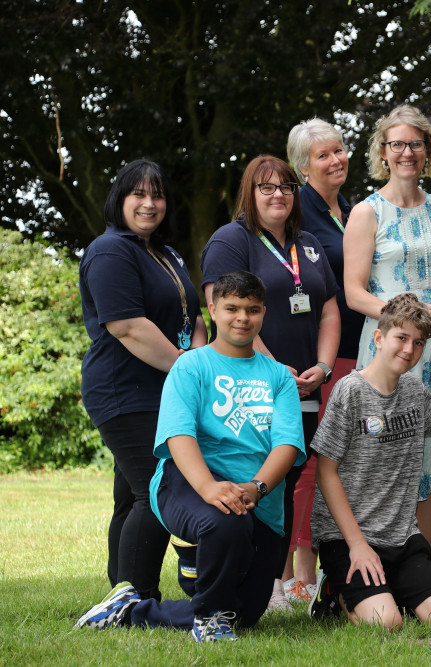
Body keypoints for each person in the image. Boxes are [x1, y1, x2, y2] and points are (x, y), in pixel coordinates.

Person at [74, 271, 306, 641]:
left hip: (259, 494)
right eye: (231, 308)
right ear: (212, 309)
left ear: (264, 313)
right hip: (187, 482)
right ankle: (209, 619)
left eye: (252, 309)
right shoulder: (191, 366)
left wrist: (257, 487)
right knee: (227, 521)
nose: (242, 318)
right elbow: (178, 434)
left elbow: (288, 445)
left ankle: (132, 610)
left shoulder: (278, 376)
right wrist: (209, 487)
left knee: (246, 612)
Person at [201, 154, 341, 610]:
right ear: (250, 193)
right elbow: (221, 307)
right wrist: (272, 367)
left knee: (293, 474)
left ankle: (275, 580)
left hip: (306, 382)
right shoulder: (231, 239)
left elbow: (329, 310)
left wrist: (321, 366)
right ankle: (268, 584)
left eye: (285, 186)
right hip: (255, 382)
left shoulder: (311, 243)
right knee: (259, 472)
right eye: (266, 187)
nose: (278, 194)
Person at [342, 104, 431, 554]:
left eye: (415, 144)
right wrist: (406, 315)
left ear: (427, 152)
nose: (406, 152)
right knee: (380, 455)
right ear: (383, 152)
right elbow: (355, 293)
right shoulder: (366, 212)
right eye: (397, 144)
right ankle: (372, 559)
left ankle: (422, 564)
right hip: (390, 349)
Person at [309, 293, 431, 629]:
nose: (409, 349)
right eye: (401, 338)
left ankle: (388, 586)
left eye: (418, 343)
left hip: (400, 537)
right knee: (387, 623)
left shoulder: (413, 391)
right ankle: (333, 588)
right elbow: (326, 473)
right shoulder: (350, 391)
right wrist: (357, 545)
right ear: (378, 337)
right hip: (347, 538)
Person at [79, 159, 208, 603]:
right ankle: (138, 595)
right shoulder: (110, 250)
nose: (149, 203)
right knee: (157, 489)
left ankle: (121, 590)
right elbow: (127, 326)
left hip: (162, 389)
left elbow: (192, 315)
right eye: (138, 193)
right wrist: (188, 370)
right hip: (123, 389)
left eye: (157, 195)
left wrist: (198, 355)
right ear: (120, 198)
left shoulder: (163, 252)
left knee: (131, 495)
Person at [282, 118, 364, 600]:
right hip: (318, 355)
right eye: (323, 155)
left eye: (340, 150)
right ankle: (301, 573)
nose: (336, 160)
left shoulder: (353, 210)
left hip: (360, 350)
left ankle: (332, 564)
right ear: (302, 166)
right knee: (313, 460)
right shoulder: (298, 212)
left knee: (344, 460)